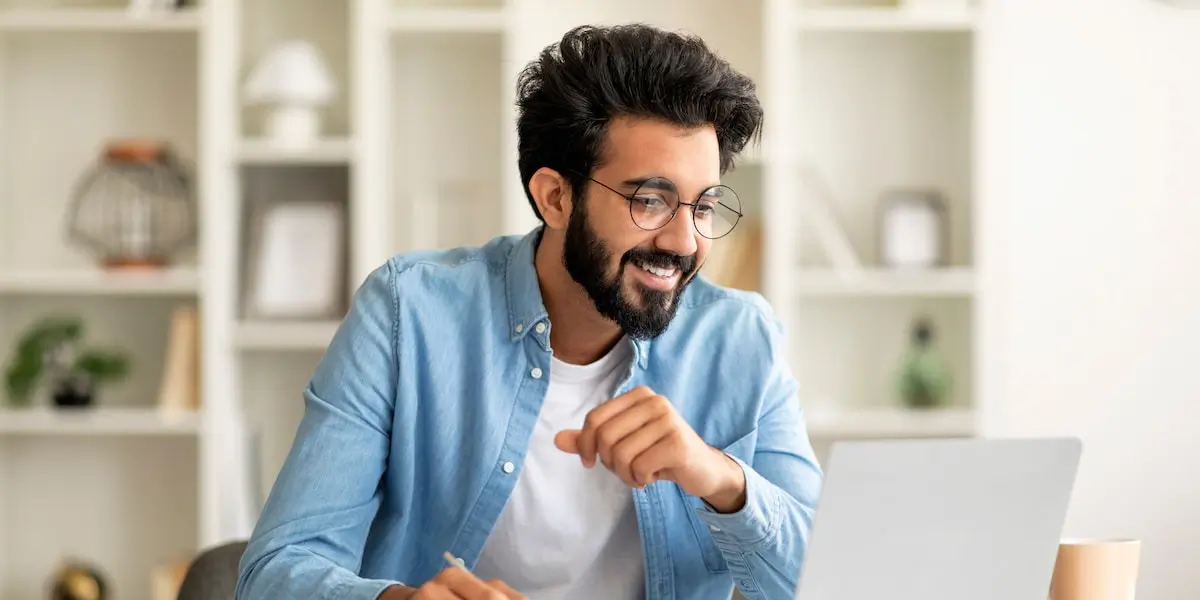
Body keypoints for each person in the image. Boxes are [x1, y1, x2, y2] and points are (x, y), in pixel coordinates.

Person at [234, 22, 823, 600]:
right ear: (556, 197)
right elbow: (274, 574)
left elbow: (829, 582)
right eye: (650, 200)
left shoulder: (742, 338)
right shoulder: (407, 314)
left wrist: (721, 479)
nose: (685, 241)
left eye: (704, 207)